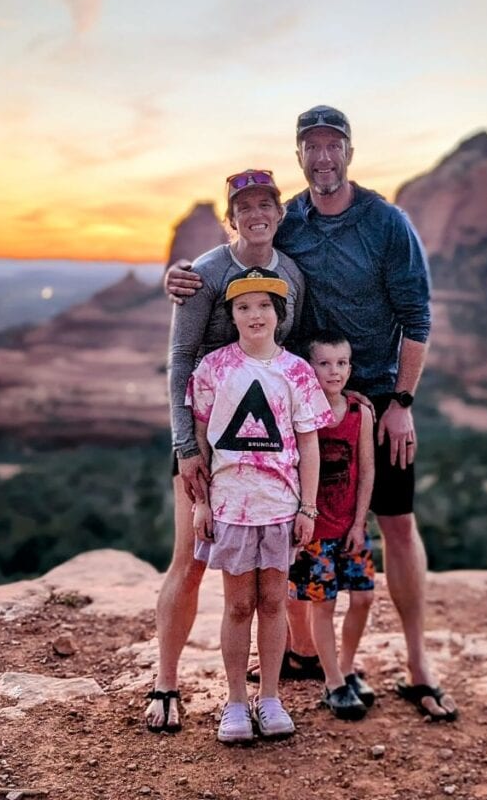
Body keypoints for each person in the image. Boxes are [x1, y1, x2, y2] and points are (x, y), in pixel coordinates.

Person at [167, 105, 457, 721]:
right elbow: (242, 247)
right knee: (301, 524)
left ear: (349, 151)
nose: (323, 157)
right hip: (295, 400)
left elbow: (418, 317)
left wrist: (401, 402)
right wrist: (183, 274)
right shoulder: (289, 217)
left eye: (334, 146)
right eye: (312, 147)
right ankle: (302, 655)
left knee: (397, 525)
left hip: (374, 396)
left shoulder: (386, 222)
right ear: (300, 154)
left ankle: (416, 664)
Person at [145, 170, 305, 733]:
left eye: (267, 204)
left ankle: (270, 690)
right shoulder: (205, 274)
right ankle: (166, 683)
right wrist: (185, 447)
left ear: (279, 214)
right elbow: (181, 358)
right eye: (245, 206)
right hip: (204, 441)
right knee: (189, 560)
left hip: (261, 450)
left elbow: (287, 354)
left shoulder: (290, 275)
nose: (257, 213)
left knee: (269, 579)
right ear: (231, 218)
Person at [188, 267, 334, 743]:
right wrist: (202, 503)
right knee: (237, 605)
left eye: (265, 305)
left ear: (279, 313)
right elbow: (202, 440)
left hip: (280, 507)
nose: (255, 314)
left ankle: (269, 697)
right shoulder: (213, 370)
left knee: (273, 602)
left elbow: (309, 445)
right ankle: (234, 702)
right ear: (231, 315)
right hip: (231, 506)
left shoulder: (296, 372)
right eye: (244, 306)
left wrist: (308, 509)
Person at [288, 331, 375, 721]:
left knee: (363, 598)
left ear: (350, 367)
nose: (334, 371)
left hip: (350, 526)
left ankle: (348, 668)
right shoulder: (302, 411)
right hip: (317, 530)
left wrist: (360, 523)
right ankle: (333, 682)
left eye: (341, 363)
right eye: (324, 363)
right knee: (324, 605)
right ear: (310, 367)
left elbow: (367, 470)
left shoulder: (360, 413)